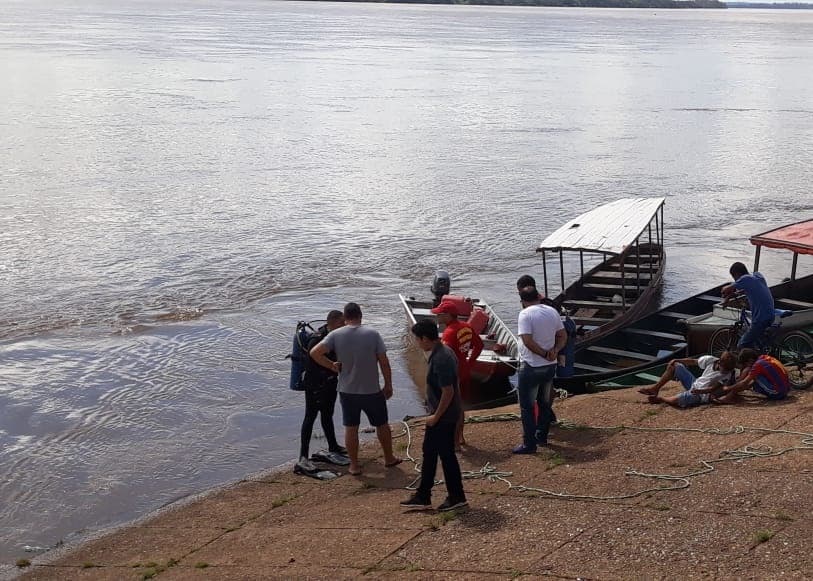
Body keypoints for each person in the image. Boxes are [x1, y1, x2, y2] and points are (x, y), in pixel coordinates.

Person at [310, 302, 401, 476]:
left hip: (347, 391)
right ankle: (389, 458)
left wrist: (331, 365)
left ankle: (353, 465)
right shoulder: (372, 334)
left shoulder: (335, 335)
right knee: (382, 424)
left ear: (345, 317)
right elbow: (384, 362)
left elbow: (314, 352)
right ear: (360, 315)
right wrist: (388, 384)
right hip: (371, 390)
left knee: (351, 427)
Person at [400, 319, 468, 512]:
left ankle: (456, 496)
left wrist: (436, 417)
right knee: (429, 452)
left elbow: (448, 391)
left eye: (417, 339)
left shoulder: (441, 358)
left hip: (443, 416)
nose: (417, 343)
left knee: (446, 456)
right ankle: (423, 495)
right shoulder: (442, 351)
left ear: (425, 338)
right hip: (440, 414)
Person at [513, 286, 567, 454]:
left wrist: (544, 354)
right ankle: (541, 436)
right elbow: (563, 335)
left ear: (523, 301)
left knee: (527, 407)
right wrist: (555, 351)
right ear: (538, 296)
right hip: (550, 366)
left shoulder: (525, 314)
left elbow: (527, 341)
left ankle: (529, 444)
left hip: (531, 366)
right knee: (544, 403)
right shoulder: (552, 311)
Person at [430, 299, 483, 449]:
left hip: (453, 374)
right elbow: (479, 345)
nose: (437, 316)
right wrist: (470, 362)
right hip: (464, 370)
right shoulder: (466, 327)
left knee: (451, 407)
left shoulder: (449, 333)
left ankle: (454, 443)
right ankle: (460, 437)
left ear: (448, 315)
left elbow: (444, 358)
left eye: (440, 314)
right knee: (460, 406)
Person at [298, 310, 346, 463]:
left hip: (330, 382)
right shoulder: (318, 338)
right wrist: (332, 365)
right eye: (342, 322)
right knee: (310, 417)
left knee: (327, 415)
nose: (345, 325)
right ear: (335, 323)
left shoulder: (336, 336)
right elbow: (314, 355)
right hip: (314, 384)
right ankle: (303, 455)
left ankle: (333, 446)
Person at [638, 352, 737, 408]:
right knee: (675, 366)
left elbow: (712, 388)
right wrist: (677, 360)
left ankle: (661, 399)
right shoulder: (711, 360)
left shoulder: (726, 375)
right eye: (725, 369)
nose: (726, 372)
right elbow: (693, 361)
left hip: (701, 394)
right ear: (719, 362)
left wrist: (700, 391)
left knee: (677, 400)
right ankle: (655, 388)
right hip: (694, 383)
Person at [721, 262, 775, 349]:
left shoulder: (745, 279)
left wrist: (724, 293)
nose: (735, 280)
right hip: (770, 315)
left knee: (741, 345)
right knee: (755, 340)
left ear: (737, 274)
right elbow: (744, 290)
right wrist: (729, 297)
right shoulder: (757, 276)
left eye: (734, 277)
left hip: (761, 319)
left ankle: (751, 356)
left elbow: (725, 289)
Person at [714, 348, 790, 404]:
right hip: (785, 390)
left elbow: (744, 382)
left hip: (778, 393)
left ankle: (729, 397)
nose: (746, 366)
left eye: (745, 364)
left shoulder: (757, 365)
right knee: (752, 377)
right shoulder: (764, 357)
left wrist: (728, 388)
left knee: (749, 372)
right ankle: (731, 394)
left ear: (750, 360)